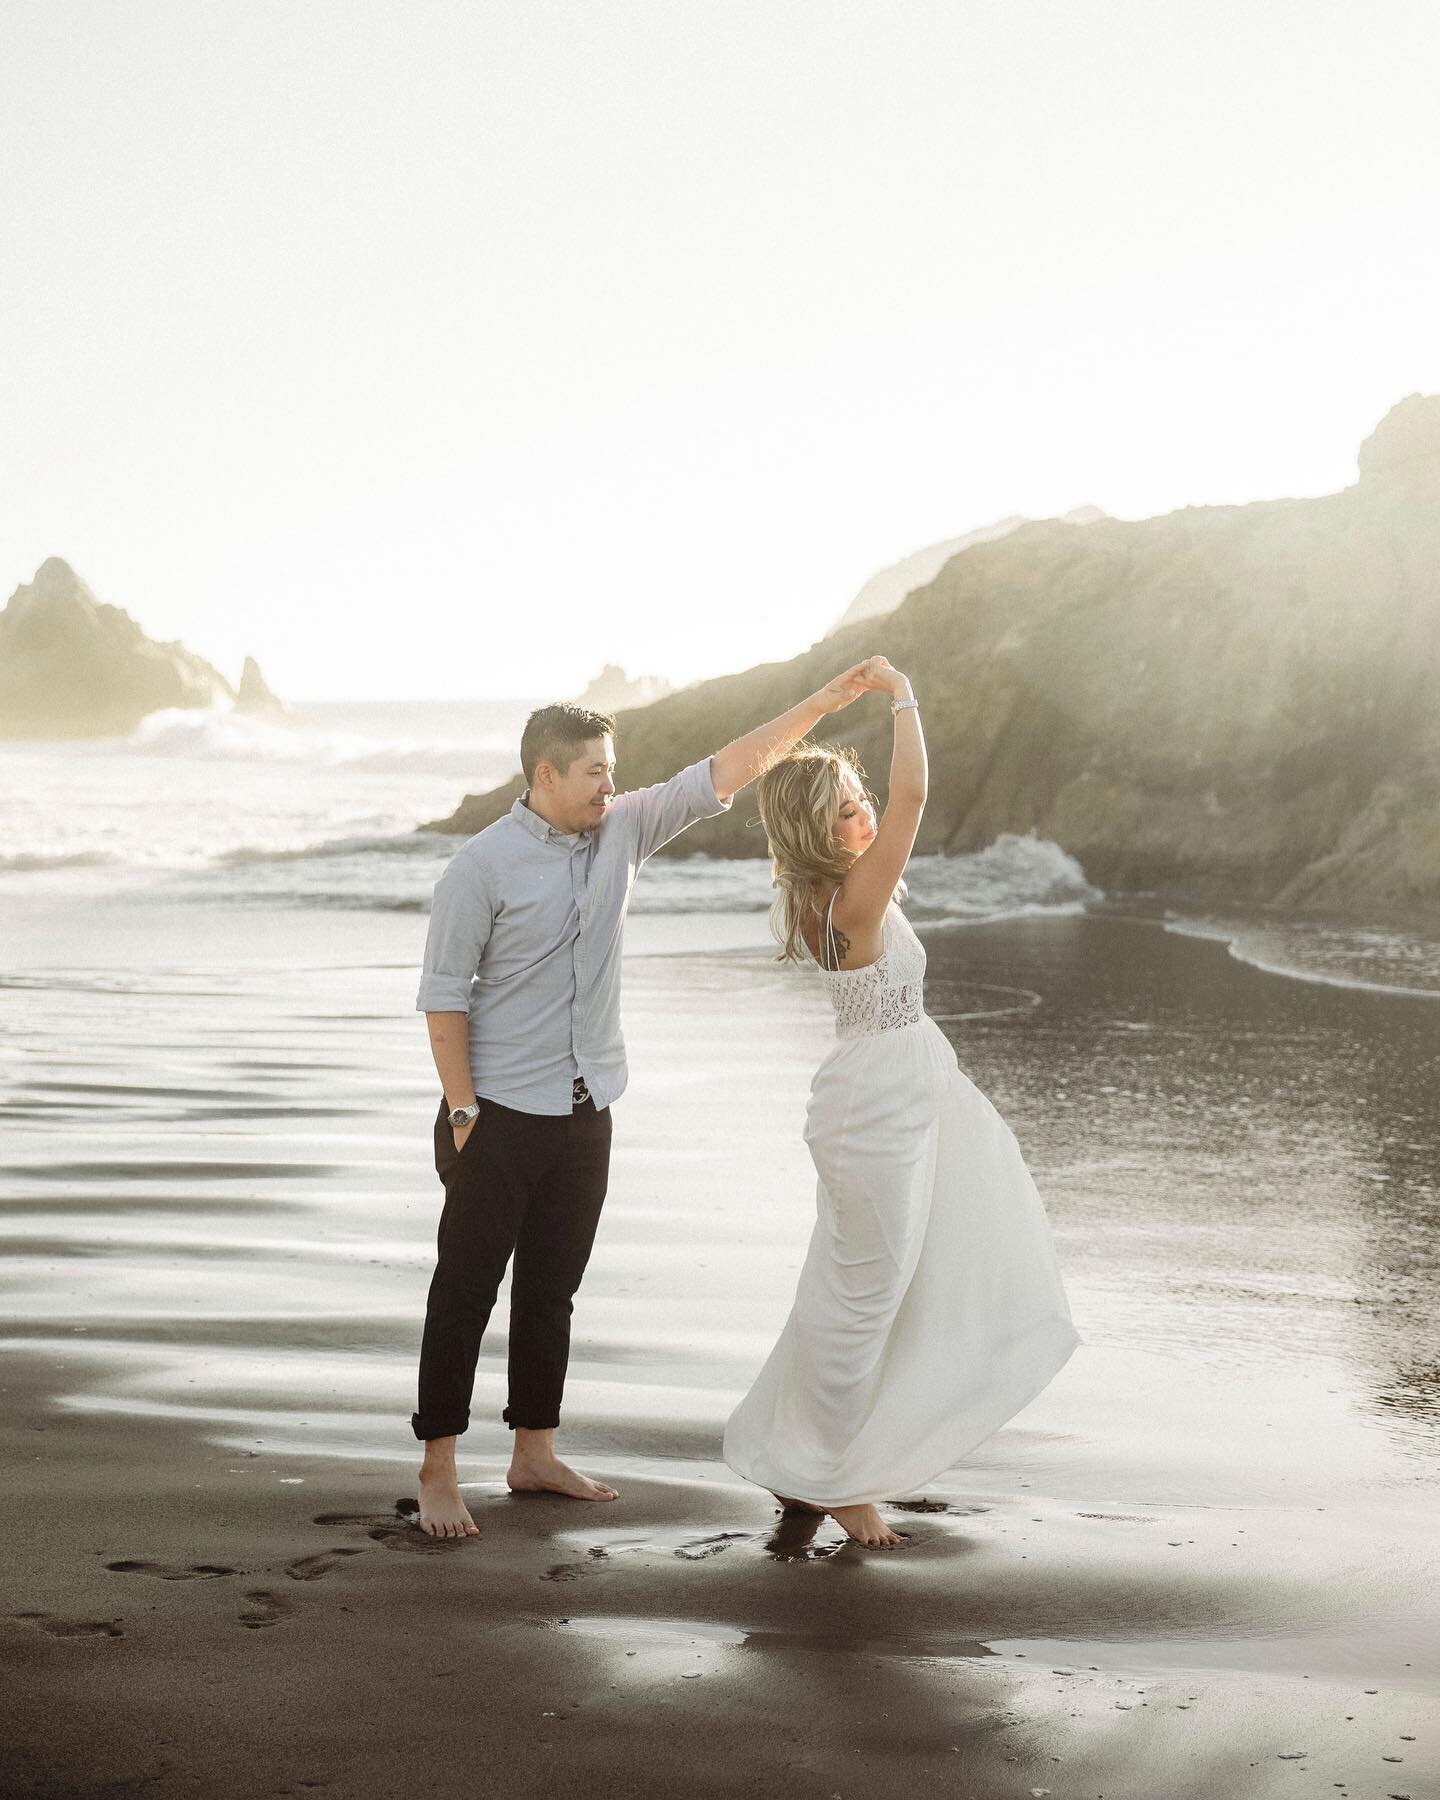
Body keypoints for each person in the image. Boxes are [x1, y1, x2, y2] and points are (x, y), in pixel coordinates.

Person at [412, 662, 879, 1538]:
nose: (609, 786)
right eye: (593, 772)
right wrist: (464, 1109)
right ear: (544, 775)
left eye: (613, 771)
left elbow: (722, 773)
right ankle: (439, 1467)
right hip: (497, 1112)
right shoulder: (479, 867)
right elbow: (444, 996)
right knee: (465, 1292)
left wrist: (820, 706)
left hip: (589, 1106)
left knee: (553, 1290)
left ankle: (533, 1452)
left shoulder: (621, 831)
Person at [722, 655, 1079, 1547]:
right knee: (865, 1297)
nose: (867, 812)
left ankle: (804, 1460)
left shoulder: (830, 893)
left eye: (861, 800)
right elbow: (916, 799)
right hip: (878, 1103)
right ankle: (839, 1479)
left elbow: (895, 809)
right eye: (846, 808)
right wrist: (903, 696)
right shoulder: (851, 897)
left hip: (895, 1091)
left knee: (867, 1286)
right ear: (817, 829)